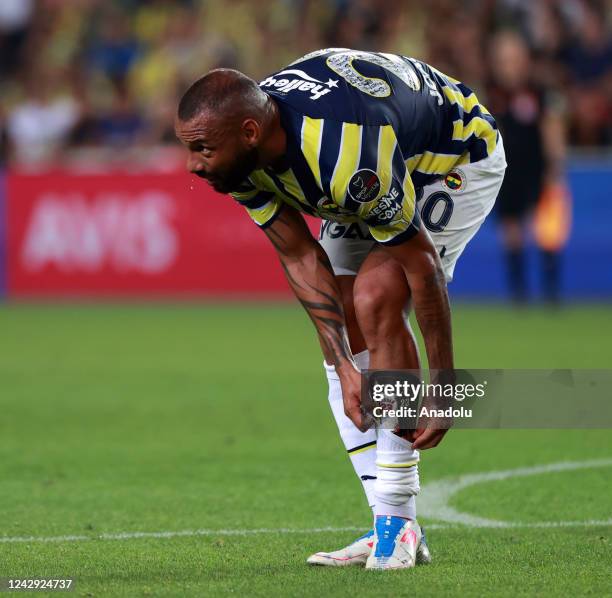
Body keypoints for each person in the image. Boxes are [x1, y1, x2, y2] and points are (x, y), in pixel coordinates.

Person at [175, 48, 506, 570]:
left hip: (452, 156)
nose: (193, 165)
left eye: (202, 149)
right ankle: (390, 526)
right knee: (345, 327)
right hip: (380, 151)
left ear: (249, 133)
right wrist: (345, 366)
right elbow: (300, 256)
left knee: (377, 296)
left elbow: (421, 268)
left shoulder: (346, 157)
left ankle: (396, 523)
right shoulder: (237, 158)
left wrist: (444, 386)